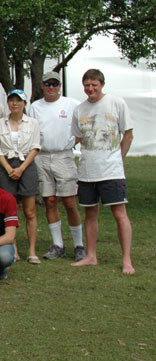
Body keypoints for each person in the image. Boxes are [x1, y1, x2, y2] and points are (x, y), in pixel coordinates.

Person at [70, 69, 135, 274]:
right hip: (87, 171)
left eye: (94, 85)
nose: (90, 89)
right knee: (90, 213)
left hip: (112, 171)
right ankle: (91, 256)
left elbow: (128, 134)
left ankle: (127, 261)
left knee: (119, 214)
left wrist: (118, 158)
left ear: (102, 85)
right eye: (87, 85)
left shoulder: (116, 103)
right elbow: (77, 138)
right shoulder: (79, 109)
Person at [28, 71, 85, 261]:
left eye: (55, 84)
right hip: (42, 157)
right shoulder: (35, 107)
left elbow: (82, 128)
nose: (51, 87)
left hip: (63, 156)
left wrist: (71, 142)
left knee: (69, 201)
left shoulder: (72, 104)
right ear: (42, 86)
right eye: (48, 84)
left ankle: (79, 245)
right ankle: (58, 244)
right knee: (49, 201)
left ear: (60, 86)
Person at [0, 89, 41, 264]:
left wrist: (21, 169)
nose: (15, 104)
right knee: (9, 210)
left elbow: (35, 147)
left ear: (24, 104)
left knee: (29, 211)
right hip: (5, 166)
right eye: (11, 100)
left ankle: (32, 251)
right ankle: (13, 246)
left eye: (18, 101)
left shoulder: (33, 123)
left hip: (26, 165)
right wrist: (8, 168)